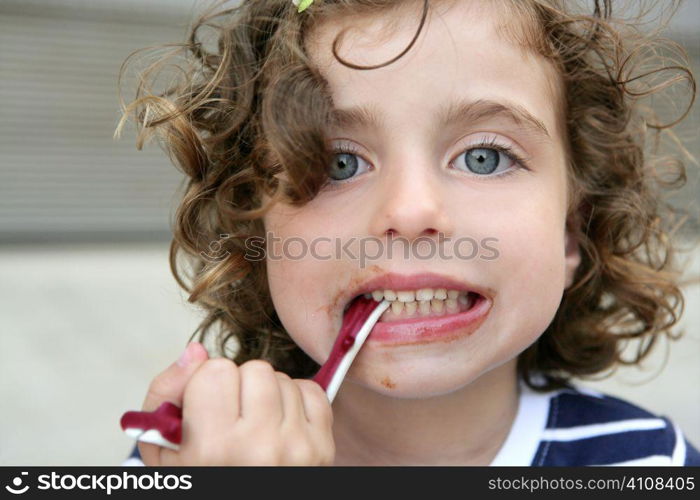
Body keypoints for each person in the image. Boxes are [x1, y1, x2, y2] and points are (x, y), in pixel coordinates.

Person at [116, 0, 700, 466]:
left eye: (484, 158)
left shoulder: (650, 461)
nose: (412, 209)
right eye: (337, 164)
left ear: (572, 231)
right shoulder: (189, 458)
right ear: (255, 235)